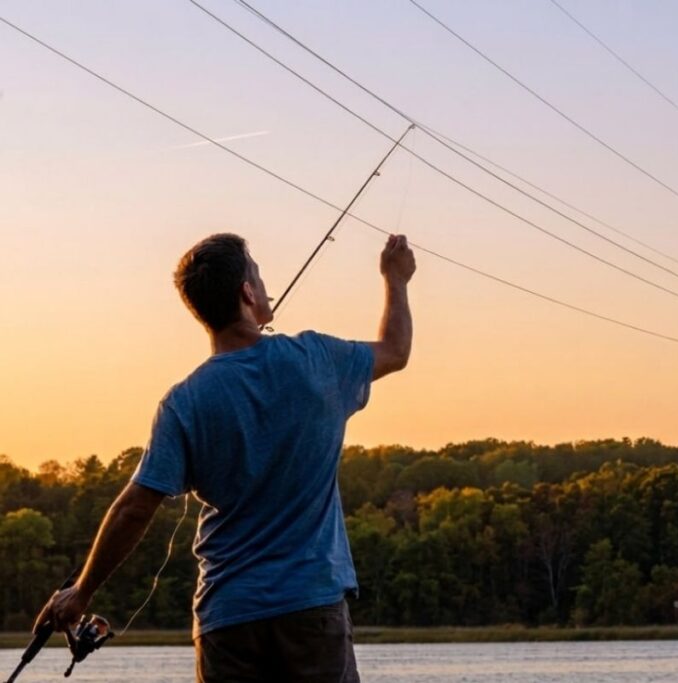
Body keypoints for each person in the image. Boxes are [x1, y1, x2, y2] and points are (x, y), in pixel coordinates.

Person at [33, 232, 415, 682]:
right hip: (310, 611)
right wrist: (396, 279)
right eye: (257, 273)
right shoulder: (318, 359)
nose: (263, 283)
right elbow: (395, 350)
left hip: (227, 619)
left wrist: (81, 592)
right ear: (247, 293)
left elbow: (135, 508)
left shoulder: (183, 402)